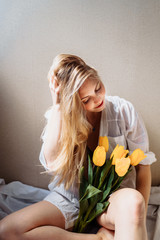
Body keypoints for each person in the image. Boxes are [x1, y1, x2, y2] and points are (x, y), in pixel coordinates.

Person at [0, 54, 156, 240]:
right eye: (85, 100)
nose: (97, 100)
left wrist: (136, 218)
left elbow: (144, 169)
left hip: (113, 199)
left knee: (135, 202)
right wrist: (58, 106)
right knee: (7, 230)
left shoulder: (123, 111)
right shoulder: (59, 118)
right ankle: (97, 238)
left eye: (98, 88)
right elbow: (51, 163)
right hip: (71, 198)